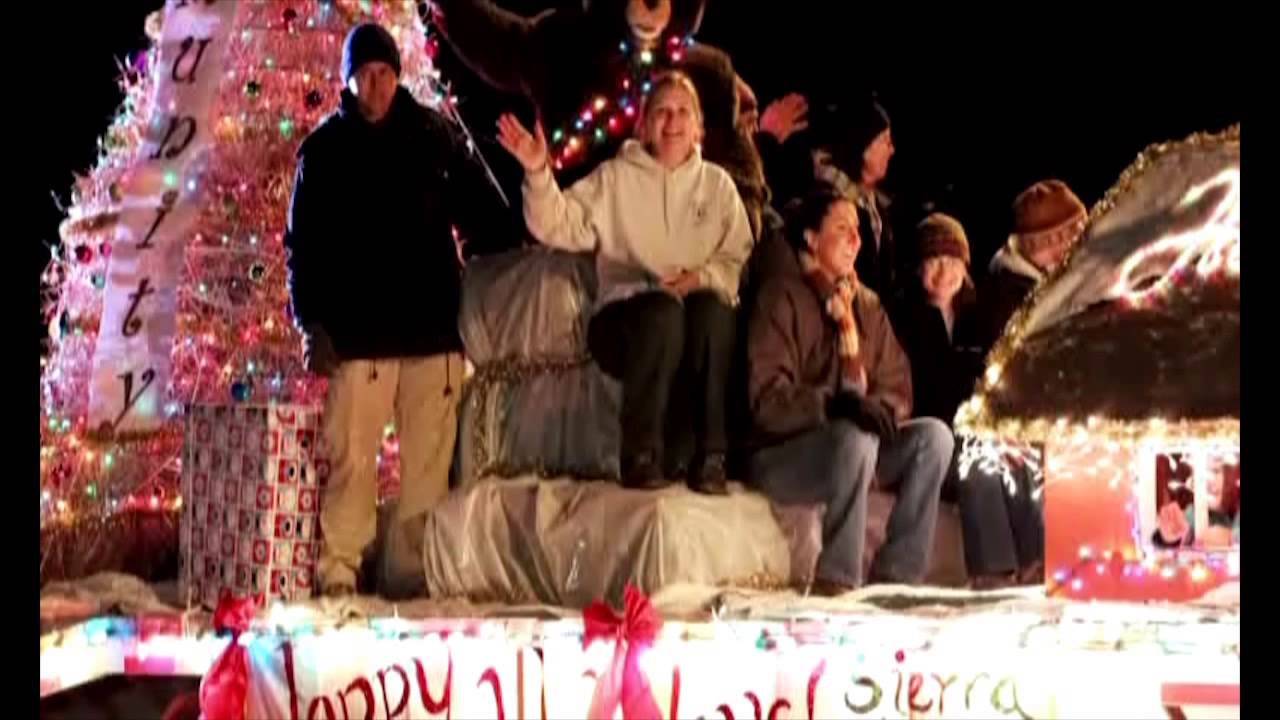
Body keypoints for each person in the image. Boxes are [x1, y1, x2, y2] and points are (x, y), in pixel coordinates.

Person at [284, 23, 510, 598]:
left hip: (432, 337)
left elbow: (486, 216)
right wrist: (310, 322)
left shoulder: (435, 136)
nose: (376, 85)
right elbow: (302, 249)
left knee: (427, 474)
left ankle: (411, 578)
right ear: (350, 81)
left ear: (397, 74)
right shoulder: (323, 152)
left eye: (384, 73)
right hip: (358, 341)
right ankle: (338, 573)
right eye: (364, 75)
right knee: (352, 466)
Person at [496, 71, 753, 494]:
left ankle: (712, 457)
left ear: (698, 128)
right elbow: (557, 224)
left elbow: (736, 255)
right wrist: (538, 171)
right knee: (664, 313)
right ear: (643, 124)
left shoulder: (717, 187)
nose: (672, 122)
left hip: (690, 319)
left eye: (682, 113)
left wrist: (701, 278)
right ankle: (641, 455)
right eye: (662, 112)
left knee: (713, 311)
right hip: (628, 320)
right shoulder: (615, 178)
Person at [746, 185, 952, 594]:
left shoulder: (867, 306)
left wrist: (880, 409)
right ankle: (837, 577)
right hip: (787, 456)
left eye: (858, 229)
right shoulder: (782, 298)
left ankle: (898, 574)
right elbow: (765, 402)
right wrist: (833, 405)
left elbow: (898, 385)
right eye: (842, 228)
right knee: (853, 436)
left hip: (859, 449)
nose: (856, 239)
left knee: (935, 438)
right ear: (811, 238)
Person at [892, 214, 1044, 588]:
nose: (945, 272)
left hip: (976, 426)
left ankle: (1037, 560)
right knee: (977, 454)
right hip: (934, 438)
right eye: (935, 260)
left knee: (1017, 451)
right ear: (919, 267)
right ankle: (992, 569)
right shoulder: (903, 315)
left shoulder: (978, 315)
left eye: (953, 260)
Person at [975, 180, 1087, 350]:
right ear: (1025, 248)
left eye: (1070, 241)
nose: (1062, 253)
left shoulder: (1067, 274)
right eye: (1047, 244)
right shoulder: (1009, 297)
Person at [811, 100, 899, 299]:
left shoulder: (877, 207)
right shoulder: (827, 202)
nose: (892, 149)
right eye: (885, 140)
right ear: (864, 148)